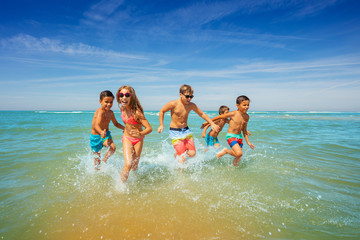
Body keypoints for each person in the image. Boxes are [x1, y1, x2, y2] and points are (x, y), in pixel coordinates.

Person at [157, 84, 220, 164]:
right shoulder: (173, 104)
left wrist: (211, 123)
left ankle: (178, 155)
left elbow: (201, 114)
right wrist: (161, 125)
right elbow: (162, 111)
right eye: (187, 96)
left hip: (186, 131)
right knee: (182, 158)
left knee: (192, 154)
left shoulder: (191, 105)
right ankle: (181, 173)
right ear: (180, 95)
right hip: (175, 132)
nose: (189, 99)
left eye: (191, 97)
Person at [201, 95, 255, 166]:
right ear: (238, 105)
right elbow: (219, 117)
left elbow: (243, 130)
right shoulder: (233, 113)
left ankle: (234, 168)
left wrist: (248, 142)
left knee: (238, 156)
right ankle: (225, 151)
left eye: (248, 105)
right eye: (244, 105)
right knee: (239, 153)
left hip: (239, 137)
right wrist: (207, 122)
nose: (246, 107)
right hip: (231, 136)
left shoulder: (247, 117)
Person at [116, 85, 152, 182]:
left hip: (138, 140)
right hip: (127, 138)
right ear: (118, 97)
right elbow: (127, 123)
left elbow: (149, 128)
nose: (124, 97)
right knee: (128, 164)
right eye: (121, 95)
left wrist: (140, 134)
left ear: (132, 97)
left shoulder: (137, 112)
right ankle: (120, 187)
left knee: (134, 166)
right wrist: (125, 129)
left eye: (127, 95)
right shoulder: (122, 109)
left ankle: (134, 181)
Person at [90, 90, 125, 169]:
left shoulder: (111, 113)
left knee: (112, 148)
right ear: (100, 101)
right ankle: (97, 174)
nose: (109, 104)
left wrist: (124, 128)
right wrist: (101, 132)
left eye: (111, 102)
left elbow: (116, 123)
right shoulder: (99, 112)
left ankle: (104, 160)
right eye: (106, 102)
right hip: (96, 137)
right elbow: (96, 125)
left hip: (106, 135)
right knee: (96, 160)